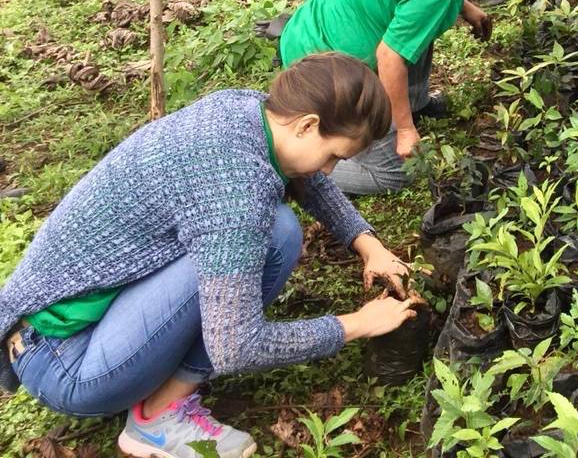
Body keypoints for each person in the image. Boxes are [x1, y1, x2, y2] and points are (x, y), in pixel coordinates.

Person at [0, 54, 421, 458]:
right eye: (333, 157)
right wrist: (356, 325)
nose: (330, 170)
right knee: (275, 235)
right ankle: (155, 420)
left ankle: (154, 394)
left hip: (51, 335)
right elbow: (236, 346)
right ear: (308, 124)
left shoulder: (247, 110)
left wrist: (368, 244)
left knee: (277, 228)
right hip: (68, 366)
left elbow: (309, 178)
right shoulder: (233, 189)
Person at [280, 0, 535, 196]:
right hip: (322, 74)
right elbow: (389, 56)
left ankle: (414, 103)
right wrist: (404, 130)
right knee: (392, 174)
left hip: (304, 34)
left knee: (421, 27)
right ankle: (295, 167)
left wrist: (462, 6)